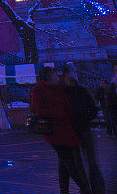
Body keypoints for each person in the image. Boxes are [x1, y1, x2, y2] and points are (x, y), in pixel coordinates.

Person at [32, 66, 92, 194]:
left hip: (66, 130)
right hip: (55, 131)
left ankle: (64, 191)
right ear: (48, 76)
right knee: (70, 163)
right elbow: (40, 109)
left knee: (64, 162)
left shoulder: (59, 88)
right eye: (55, 74)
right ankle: (85, 189)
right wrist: (61, 114)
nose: (57, 76)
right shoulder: (39, 89)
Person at [63, 67, 104, 194]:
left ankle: (96, 188)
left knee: (90, 161)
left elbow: (92, 108)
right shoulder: (65, 92)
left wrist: (86, 118)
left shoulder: (79, 90)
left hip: (82, 129)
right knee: (78, 162)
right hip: (72, 131)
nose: (71, 77)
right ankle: (85, 188)